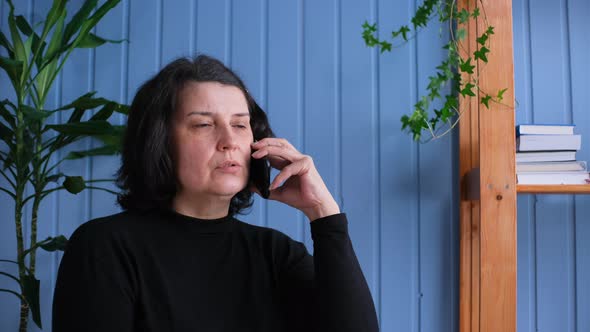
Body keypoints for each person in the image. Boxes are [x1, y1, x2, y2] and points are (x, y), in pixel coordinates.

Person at [52, 55, 379, 332]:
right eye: (204, 125)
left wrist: (324, 214)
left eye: (240, 124)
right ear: (158, 140)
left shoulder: (276, 254)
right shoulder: (104, 248)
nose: (229, 141)